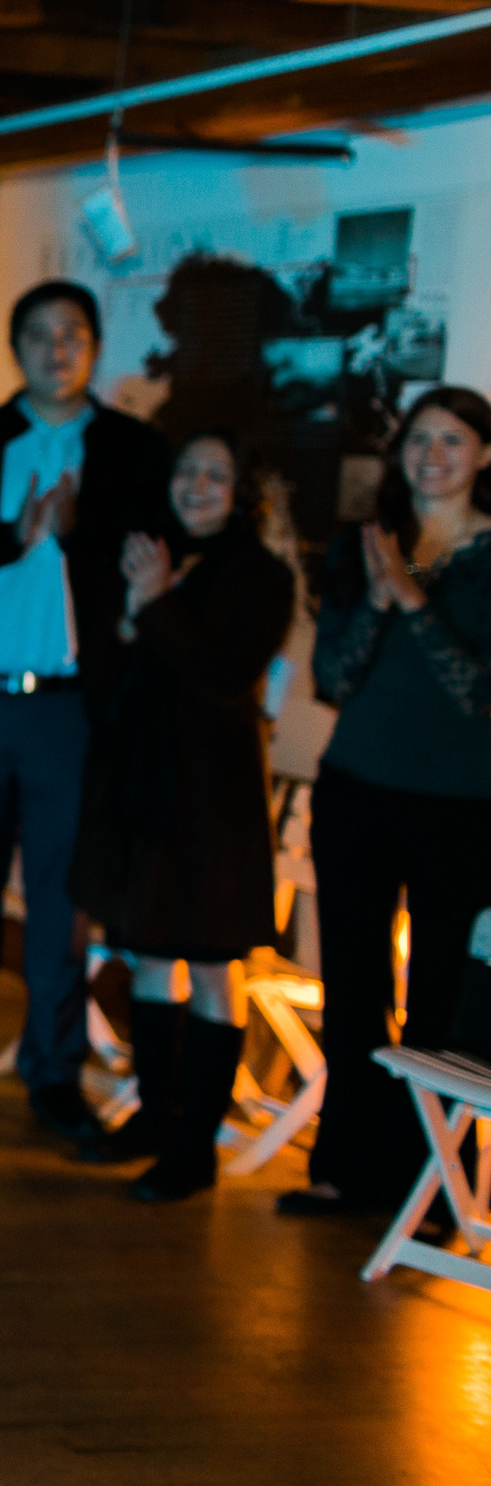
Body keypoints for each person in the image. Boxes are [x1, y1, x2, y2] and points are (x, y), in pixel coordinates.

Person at [0, 279, 174, 1141]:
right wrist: (11, 536)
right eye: (41, 334)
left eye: (75, 334)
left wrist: (78, 530)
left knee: (59, 906)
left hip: (71, 714)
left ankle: (56, 1076)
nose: (58, 348)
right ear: (16, 348)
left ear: (94, 348)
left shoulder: (132, 449)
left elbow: (153, 566)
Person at [70, 429, 297, 1202]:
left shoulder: (261, 575)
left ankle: (194, 1145)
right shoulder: (144, 552)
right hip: (137, 791)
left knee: (208, 965)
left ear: (244, 491)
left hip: (212, 802)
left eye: (218, 472)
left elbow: (222, 675)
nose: (198, 484)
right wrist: (133, 613)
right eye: (188, 470)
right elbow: (100, 673)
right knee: (147, 955)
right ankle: (154, 1118)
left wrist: (155, 605)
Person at [286, 386, 491, 1218]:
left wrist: (414, 601)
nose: (431, 455)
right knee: (354, 989)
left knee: (441, 996)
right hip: (357, 792)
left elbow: (480, 697)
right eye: (418, 440)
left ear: (483, 455)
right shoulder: (365, 544)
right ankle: (343, 1167)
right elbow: (333, 678)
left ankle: (431, 1188)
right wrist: (377, 599)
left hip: (463, 806)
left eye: (452, 440)